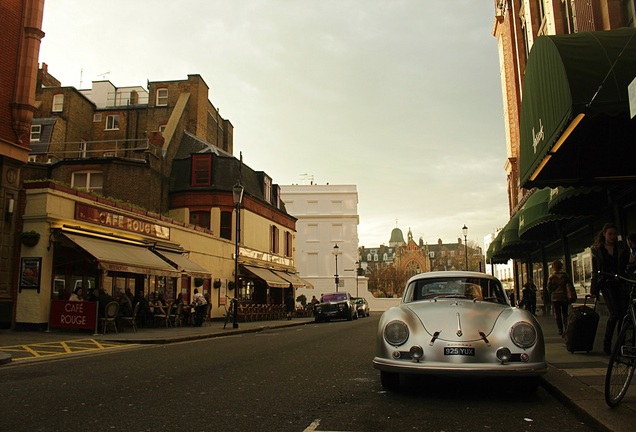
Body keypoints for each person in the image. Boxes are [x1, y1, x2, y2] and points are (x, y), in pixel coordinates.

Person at [591, 223, 630, 354]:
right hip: (606, 283)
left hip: (620, 283)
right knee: (614, 313)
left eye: (614, 234)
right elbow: (595, 272)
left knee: (623, 314)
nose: (612, 237)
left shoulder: (621, 248)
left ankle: (621, 343)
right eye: (610, 234)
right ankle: (607, 344)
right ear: (604, 234)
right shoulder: (598, 251)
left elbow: (625, 264)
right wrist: (594, 290)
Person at [547, 260, 573, 336]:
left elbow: (549, 288)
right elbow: (570, 285)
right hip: (564, 297)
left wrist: (553, 292)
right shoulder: (565, 275)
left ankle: (560, 330)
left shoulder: (552, 277)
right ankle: (566, 328)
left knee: (558, 314)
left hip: (555, 298)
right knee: (565, 313)